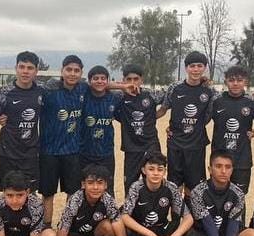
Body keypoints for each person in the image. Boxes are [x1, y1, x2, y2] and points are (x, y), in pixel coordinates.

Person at [120, 151, 194, 236]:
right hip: (139, 231)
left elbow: (188, 218)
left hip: (161, 229)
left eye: (160, 169)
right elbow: (125, 216)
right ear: (144, 170)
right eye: (151, 169)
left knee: (187, 228)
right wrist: (150, 234)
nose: (155, 173)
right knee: (119, 223)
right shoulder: (136, 187)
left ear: (164, 172)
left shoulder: (171, 188)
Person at [157, 51, 215, 204]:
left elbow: (208, 117)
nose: (195, 69)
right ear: (186, 68)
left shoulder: (209, 92)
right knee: (175, 185)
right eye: (192, 66)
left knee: (195, 187)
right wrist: (146, 120)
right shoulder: (174, 88)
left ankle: (192, 222)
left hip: (196, 145)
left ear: (204, 68)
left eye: (199, 66)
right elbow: (163, 109)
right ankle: (176, 220)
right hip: (175, 144)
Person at [208, 66, 254, 221]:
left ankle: (238, 231)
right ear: (226, 81)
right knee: (217, 194)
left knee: (239, 196)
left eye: (239, 80)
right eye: (231, 80)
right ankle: (216, 227)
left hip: (242, 159)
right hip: (220, 159)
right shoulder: (216, 100)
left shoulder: (251, 102)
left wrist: (252, 131)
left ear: (245, 82)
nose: (235, 83)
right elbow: (201, 119)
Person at [39, 55, 87, 226]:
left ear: (81, 73)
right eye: (69, 70)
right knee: (48, 193)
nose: (72, 74)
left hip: (73, 152)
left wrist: (124, 85)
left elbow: (103, 84)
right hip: (48, 152)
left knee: (73, 193)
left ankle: (67, 226)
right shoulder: (48, 91)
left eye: (76, 70)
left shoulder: (83, 89)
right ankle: (46, 227)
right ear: (62, 71)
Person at [0, 51, 44, 193]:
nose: (25, 71)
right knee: (7, 192)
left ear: (36, 71)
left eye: (30, 68)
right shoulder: (4, 92)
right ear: (16, 68)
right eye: (22, 67)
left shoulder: (41, 91)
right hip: (7, 151)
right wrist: (0, 118)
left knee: (30, 192)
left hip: (30, 151)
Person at [116, 63, 163, 194]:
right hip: (131, 148)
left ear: (141, 80)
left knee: (154, 183)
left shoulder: (151, 95)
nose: (132, 83)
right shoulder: (119, 97)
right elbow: (100, 87)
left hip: (151, 146)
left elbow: (172, 97)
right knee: (130, 186)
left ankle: (153, 212)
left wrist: (153, 118)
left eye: (136, 79)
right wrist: (120, 87)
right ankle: (130, 213)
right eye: (128, 79)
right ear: (123, 80)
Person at [79, 65, 122, 194]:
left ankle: (109, 214)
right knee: (83, 188)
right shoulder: (83, 96)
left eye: (103, 78)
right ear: (89, 81)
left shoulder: (114, 98)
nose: (99, 81)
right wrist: (123, 86)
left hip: (106, 152)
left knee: (107, 189)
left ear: (107, 81)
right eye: (95, 78)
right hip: (84, 152)